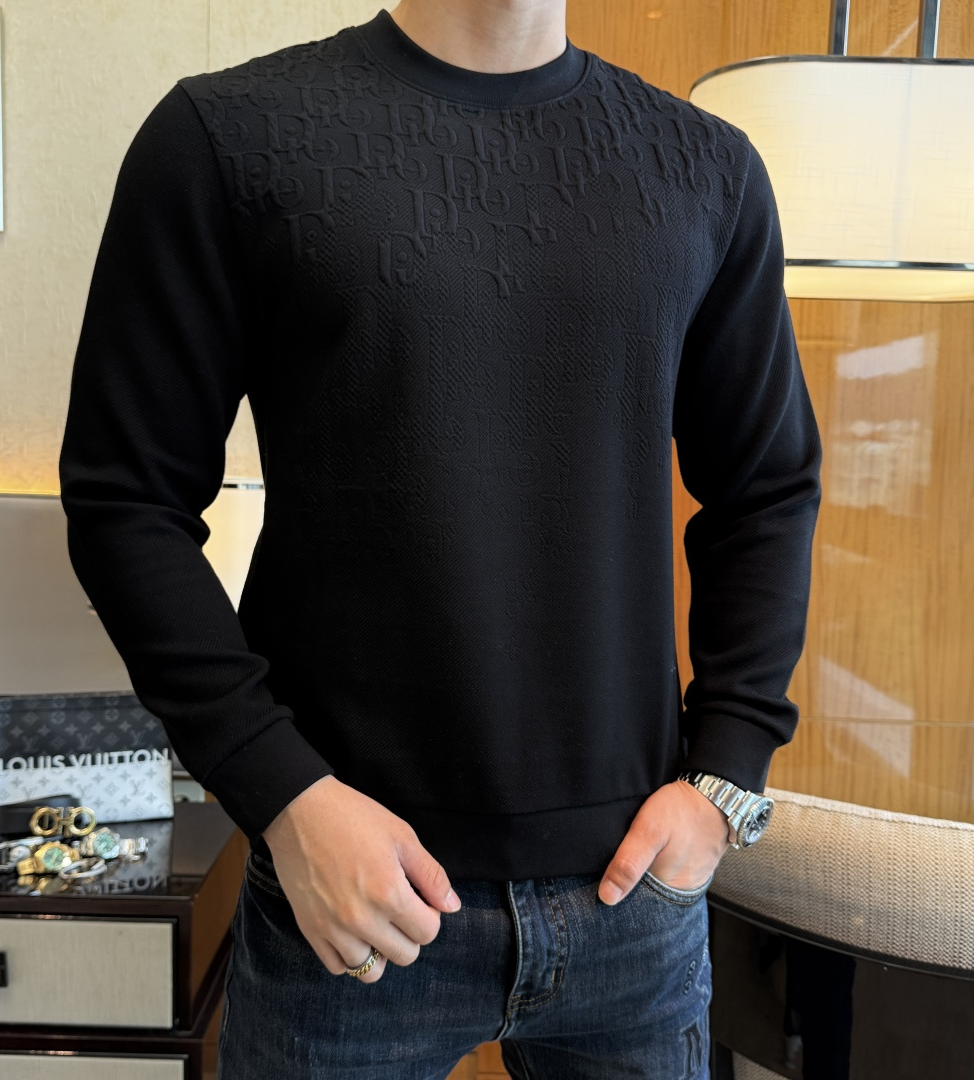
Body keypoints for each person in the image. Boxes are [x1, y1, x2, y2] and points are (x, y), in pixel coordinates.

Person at [58, 1, 822, 1076]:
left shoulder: (707, 166)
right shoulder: (226, 137)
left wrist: (726, 777)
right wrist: (282, 794)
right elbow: (124, 496)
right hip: (350, 899)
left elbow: (767, 487)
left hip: (635, 900)